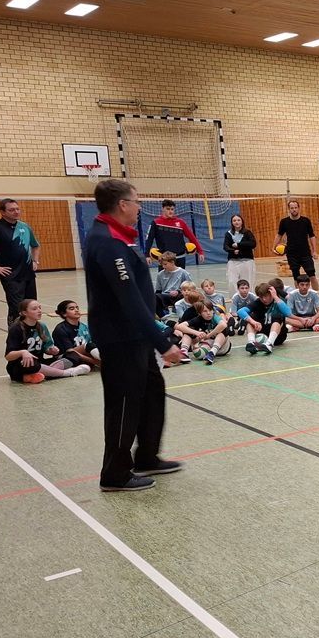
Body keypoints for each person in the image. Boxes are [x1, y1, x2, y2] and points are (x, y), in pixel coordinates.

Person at [84, 179, 184, 492]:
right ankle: (114, 474)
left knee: (152, 391)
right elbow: (128, 299)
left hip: (135, 334)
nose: (140, 207)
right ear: (123, 205)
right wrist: (163, 343)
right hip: (120, 337)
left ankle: (147, 456)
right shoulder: (108, 241)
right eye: (137, 201)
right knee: (124, 403)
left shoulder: (119, 236)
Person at [4, 299, 91, 383]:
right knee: (31, 363)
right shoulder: (16, 328)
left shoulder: (42, 326)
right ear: (24, 313)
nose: (39, 311)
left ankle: (46, 373)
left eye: (40, 308)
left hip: (40, 363)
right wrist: (23, 352)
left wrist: (51, 350)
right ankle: (66, 373)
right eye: (34, 309)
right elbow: (8, 356)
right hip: (21, 365)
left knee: (73, 355)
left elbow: (47, 348)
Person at [275, 199, 319, 293]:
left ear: (299, 208)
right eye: (292, 208)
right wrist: (274, 247)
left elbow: (311, 236)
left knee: (312, 275)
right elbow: (279, 235)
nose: (294, 209)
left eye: (295, 207)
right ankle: (299, 296)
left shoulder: (305, 221)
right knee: (296, 277)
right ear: (289, 209)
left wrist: (314, 251)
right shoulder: (284, 222)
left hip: (305, 253)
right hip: (292, 254)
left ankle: (316, 295)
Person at [145, 199, 204, 270]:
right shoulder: (155, 223)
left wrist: (200, 251)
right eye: (168, 209)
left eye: (172, 209)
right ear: (163, 209)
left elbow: (192, 237)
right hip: (164, 259)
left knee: (180, 277)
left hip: (180, 258)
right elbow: (149, 239)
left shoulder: (181, 222)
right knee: (164, 277)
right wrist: (147, 255)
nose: (170, 211)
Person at [52, 300, 100, 370]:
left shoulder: (84, 326)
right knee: (88, 346)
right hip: (66, 357)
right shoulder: (61, 329)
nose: (76, 310)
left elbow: (93, 344)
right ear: (64, 314)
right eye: (72, 309)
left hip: (83, 355)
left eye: (77, 308)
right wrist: (94, 362)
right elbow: (70, 351)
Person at [242, 282, 288, 354]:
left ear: (271, 294)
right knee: (250, 318)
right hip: (262, 332)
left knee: (277, 317)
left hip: (278, 336)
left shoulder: (278, 301)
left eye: (266, 296)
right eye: (261, 297)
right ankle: (251, 342)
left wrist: (275, 296)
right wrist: (253, 322)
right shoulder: (257, 302)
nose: (264, 299)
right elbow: (241, 311)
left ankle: (269, 344)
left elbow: (288, 312)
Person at [223, 214, 257, 296]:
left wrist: (239, 244)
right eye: (234, 220)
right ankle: (235, 298)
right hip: (233, 261)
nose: (236, 222)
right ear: (232, 222)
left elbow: (253, 244)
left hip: (247, 261)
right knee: (232, 281)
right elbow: (225, 246)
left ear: (242, 222)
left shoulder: (247, 232)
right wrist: (232, 251)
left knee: (247, 281)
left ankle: (250, 298)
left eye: (238, 220)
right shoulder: (228, 234)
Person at [153, 251, 190, 316]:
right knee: (154, 297)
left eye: (165, 264)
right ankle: (162, 315)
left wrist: (178, 291)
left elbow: (190, 287)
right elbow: (158, 291)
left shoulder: (183, 273)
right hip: (165, 296)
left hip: (179, 295)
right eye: (162, 265)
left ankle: (180, 311)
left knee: (188, 294)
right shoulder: (160, 274)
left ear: (172, 262)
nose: (163, 266)